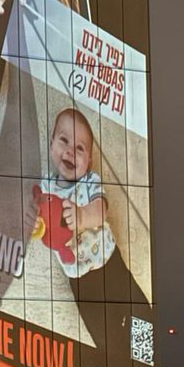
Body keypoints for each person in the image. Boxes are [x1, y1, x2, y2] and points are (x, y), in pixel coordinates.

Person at [32, 107, 116, 278]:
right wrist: (33, 224)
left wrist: (82, 216)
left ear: (89, 161)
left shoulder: (89, 181)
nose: (70, 151)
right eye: (64, 140)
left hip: (108, 255)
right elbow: (33, 213)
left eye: (79, 148)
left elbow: (101, 210)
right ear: (51, 144)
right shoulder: (45, 186)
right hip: (75, 269)